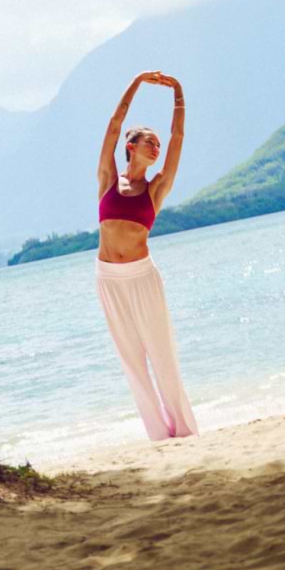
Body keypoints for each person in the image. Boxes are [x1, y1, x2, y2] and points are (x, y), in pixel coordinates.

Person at [96, 71, 195, 440]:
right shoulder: (108, 179)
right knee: (132, 360)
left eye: (157, 144)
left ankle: (184, 430)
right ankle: (158, 435)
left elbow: (178, 138)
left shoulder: (157, 188)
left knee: (162, 353)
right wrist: (137, 82)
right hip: (108, 278)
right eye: (149, 142)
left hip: (142, 275)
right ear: (130, 146)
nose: (156, 148)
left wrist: (178, 93)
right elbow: (113, 124)